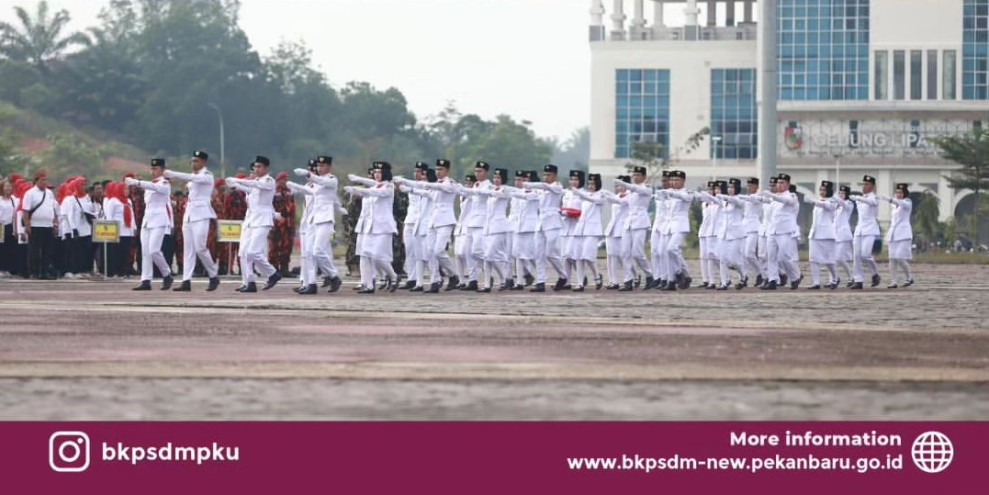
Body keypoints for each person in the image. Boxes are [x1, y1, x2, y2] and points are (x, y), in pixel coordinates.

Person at [394, 158, 458, 293]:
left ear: (447, 170)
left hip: (446, 221)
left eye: (440, 169)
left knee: (439, 251)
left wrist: (424, 185)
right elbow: (423, 191)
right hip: (433, 222)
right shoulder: (434, 186)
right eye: (436, 169)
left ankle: (453, 275)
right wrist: (408, 187)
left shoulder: (450, 183)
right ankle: (435, 281)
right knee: (429, 252)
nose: (438, 172)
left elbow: (438, 187)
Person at [162, 150, 221, 292]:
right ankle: (186, 280)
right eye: (192, 161)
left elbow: (192, 179)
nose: (193, 163)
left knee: (200, 247)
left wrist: (174, 174)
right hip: (189, 214)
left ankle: (213, 275)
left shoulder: (207, 175)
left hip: (201, 214)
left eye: (196, 161)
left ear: (204, 162)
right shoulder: (193, 176)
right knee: (188, 249)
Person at [226, 156, 281, 293]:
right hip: (250, 221)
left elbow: (256, 185)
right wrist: (235, 185)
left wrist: (237, 180)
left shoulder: (269, 181)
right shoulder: (254, 183)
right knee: (243, 253)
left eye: (259, 166)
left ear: (266, 168)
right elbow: (250, 189)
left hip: (262, 221)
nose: (256, 169)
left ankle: (272, 274)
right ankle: (249, 282)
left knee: (253, 252)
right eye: (255, 167)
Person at [290, 155, 344, 294]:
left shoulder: (332, 179)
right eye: (318, 166)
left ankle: (333, 276)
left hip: (325, 219)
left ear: (329, 167)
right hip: (312, 219)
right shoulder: (316, 182)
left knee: (318, 251)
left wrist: (309, 174)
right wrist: (293, 185)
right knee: (308, 253)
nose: (319, 168)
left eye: (322, 166)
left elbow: (321, 182)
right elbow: (309, 191)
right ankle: (311, 284)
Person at [345, 161, 400, 293]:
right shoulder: (374, 187)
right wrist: (358, 180)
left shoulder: (389, 187)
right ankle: (368, 284)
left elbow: (377, 194)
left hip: (383, 227)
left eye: (379, 172)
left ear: (385, 173)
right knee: (364, 255)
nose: (376, 174)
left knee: (377, 256)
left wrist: (357, 188)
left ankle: (393, 276)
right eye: (375, 172)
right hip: (369, 227)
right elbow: (372, 187)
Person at [126, 159, 175, 290]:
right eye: (152, 169)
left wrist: (137, 182)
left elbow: (155, 187)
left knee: (154, 250)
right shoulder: (149, 185)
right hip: (147, 220)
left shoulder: (164, 183)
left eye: (156, 169)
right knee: (145, 252)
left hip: (159, 220)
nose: (153, 171)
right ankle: (146, 280)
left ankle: (167, 274)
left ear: (162, 170)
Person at [524, 164, 568, 292]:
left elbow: (544, 186)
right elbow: (527, 195)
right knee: (539, 254)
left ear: (554, 175)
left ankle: (563, 275)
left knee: (551, 253)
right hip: (541, 223)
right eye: (544, 174)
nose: (545, 177)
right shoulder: (542, 190)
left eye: (548, 175)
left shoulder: (557, 186)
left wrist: (530, 184)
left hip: (553, 222)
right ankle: (541, 281)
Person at [613, 167, 653, 291]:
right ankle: (628, 280)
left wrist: (624, 184)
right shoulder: (630, 191)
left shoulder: (647, 188)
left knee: (637, 252)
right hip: (629, 223)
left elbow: (636, 188)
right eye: (633, 175)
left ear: (644, 177)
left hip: (640, 222)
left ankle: (650, 274)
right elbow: (620, 201)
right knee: (624, 252)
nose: (635, 177)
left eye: (638, 175)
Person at [759, 173, 801, 290]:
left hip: (786, 231)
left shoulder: (791, 196)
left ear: (788, 184)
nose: (779, 185)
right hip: (773, 231)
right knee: (770, 257)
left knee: (784, 257)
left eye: (782, 183)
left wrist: (772, 195)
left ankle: (795, 277)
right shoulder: (774, 198)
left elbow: (786, 201)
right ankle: (772, 280)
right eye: (778, 182)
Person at [21, 170, 59, 279]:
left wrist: (55, 224)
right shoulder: (30, 193)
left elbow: (53, 209)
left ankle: (45, 271)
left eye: (46, 180)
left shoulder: (49, 193)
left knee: (48, 250)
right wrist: (27, 225)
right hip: (35, 226)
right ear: (36, 181)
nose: (45, 182)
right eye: (42, 180)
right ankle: (34, 272)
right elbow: (25, 211)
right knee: (34, 250)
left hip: (48, 226)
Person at [570, 173, 604, 291]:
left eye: (593, 184)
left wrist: (580, 193)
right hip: (580, 228)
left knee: (588, 257)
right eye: (589, 183)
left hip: (592, 230)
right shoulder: (584, 195)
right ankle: (579, 283)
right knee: (578, 256)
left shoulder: (601, 195)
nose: (590, 186)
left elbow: (594, 200)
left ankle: (597, 276)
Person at [804, 180, 840, 290]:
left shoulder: (833, 201)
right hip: (815, 233)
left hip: (827, 234)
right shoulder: (819, 200)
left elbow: (827, 206)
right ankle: (816, 282)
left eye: (824, 190)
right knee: (813, 259)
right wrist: (816, 201)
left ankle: (835, 278)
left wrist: (814, 201)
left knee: (829, 260)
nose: (822, 192)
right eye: (820, 189)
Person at [849, 175, 882, 290]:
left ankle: (875, 274)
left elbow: (871, 202)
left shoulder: (874, 198)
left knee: (866, 254)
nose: (864, 186)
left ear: (872, 186)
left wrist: (858, 198)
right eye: (863, 184)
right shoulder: (861, 198)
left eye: (867, 184)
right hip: (859, 230)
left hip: (870, 230)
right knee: (856, 256)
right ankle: (858, 280)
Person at [715, 178, 747, 290]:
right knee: (722, 259)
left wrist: (724, 197)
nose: (730, 189)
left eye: (732, 187)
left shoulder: (740, 200)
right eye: (729, 187)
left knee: (734, 260)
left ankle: (743, 276)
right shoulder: (725, 201)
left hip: (736, 234)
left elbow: (736, 202)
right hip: (724, 233)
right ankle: (724, 282)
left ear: (737, 188)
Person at [881, 183, 915, 288]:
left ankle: (909, 278)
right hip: (893, 234)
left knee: (900, 258)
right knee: (892, 259)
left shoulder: (907, 202)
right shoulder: (894, 205)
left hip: (904, 234)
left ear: (904, 193)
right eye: (897, 192)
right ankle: (894, 281)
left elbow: (901, 203)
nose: (898, 194)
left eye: (900, 192)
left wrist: (890, 199)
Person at [601, 175, 630, 290]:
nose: (618, 188)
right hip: (612, 229)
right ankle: (613, 281)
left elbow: (620, 202)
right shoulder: (617, 196)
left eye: (621, 185)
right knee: (611, 255)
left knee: (623, 255)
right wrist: (606, 193)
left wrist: (607, 195)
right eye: (617, 186)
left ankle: (630, 278)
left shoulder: (630, 196)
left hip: (622, 229)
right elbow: (616, 199)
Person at [104, 182, 135, 278]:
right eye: (125, 189)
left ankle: (124, 271)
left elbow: (132, 215)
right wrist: (110, 231)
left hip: (127, 231)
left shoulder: (128, 201)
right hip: (117, 231)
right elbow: (109, 216)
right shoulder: (113, 201)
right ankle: (116, 271)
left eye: (128, 189)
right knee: (116, 252)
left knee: (125, 252)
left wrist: (134, 228)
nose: (127, 191)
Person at [269, 171, 296, 276]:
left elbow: (292, 207)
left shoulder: (290, 192)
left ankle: (284, 268)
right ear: (278, 180)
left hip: (288, 224)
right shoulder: (273, 191)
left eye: (286, 179)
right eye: (283, 179)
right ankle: (273, 269)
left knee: (287, 246)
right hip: (277, 223)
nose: (285, 181)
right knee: (275, 246)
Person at [453, 174, 475, 290]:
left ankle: (473, 278)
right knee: (457, 254)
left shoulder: (473, 194)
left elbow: (464, 191)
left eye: (470, 183)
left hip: (469, 226)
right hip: (460, 226)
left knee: (465, 253)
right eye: (467, 183)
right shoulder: (463, 196)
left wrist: (457, 185)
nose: (468, 185)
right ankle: (461, 280)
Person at [834, 185, 855, 287]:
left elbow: (843, 203)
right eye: (840, 193)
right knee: (833, 259)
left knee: (839, 258)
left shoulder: (849, 203)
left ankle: (851, 276)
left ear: (847, 194)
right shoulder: (836, 206)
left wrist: (833, 196)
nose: (841, 195)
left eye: (843, 193)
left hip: (843, 235)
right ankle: (834, 279)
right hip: (835, 234)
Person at [0, 179, 18, 277]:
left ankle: (7, 268)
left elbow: (15, 215)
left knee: (9, 247)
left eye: (10, 186)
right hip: (0, 226)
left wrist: (15, 230)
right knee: (1, 248)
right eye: (6, 186)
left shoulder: (13, 199)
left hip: (10, 225)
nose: (8, 188)